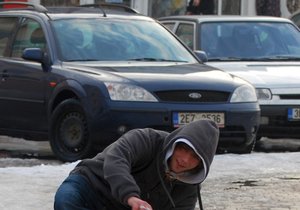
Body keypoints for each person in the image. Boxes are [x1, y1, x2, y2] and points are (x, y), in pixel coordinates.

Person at [54, 119, 220, 210]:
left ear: (201, 164)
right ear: (176, 143)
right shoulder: (146, 139)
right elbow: (116, 160)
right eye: (183, 148)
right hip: (90, 184)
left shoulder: (188, 190)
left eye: (194, 157)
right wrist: (131, 197)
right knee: (65, 201)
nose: (184, 159)